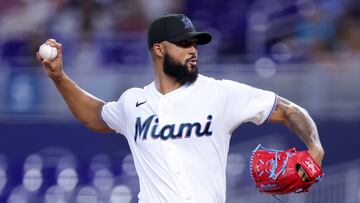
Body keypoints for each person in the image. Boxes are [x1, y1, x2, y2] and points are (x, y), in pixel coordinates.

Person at [37, 14, 324, 203]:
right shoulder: (133, 102)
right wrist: (59, 78)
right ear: (159, 49)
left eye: (195, 43)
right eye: (183, 43)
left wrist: (314, 146)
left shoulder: (220, 93)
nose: (193, 49)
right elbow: (95, 116)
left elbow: (287, 109)